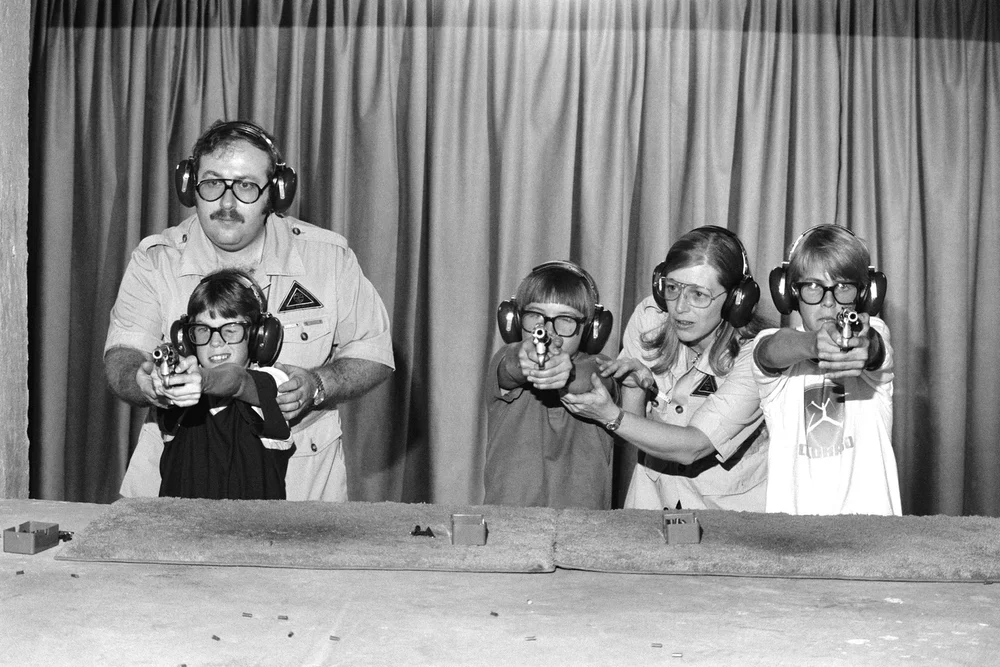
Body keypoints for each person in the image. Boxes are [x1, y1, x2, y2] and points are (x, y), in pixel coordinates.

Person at [104, 119, 394, 501]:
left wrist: (319, 385)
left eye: (245, 186)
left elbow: (373, 352)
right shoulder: (155, 260)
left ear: (275, 192)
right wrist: (145, 382)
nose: (226, 204)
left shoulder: (329, 258)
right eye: (212, 184)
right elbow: (122, 355)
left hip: (300, 486)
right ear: (190, 186)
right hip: (175, 479)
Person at [562, 226, 770, 511]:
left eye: (699, 294)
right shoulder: (650, 320)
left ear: (737, 300)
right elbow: (633, 430)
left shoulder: (756, 356)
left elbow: (692, 447)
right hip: (653, 506)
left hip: (727, 519)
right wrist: (632, 387)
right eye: (672, 288)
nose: (680, 307)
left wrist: (609, 414)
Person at [753, 225, 900, 515]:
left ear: (864, 294)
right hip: (796, 541)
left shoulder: (875, 331)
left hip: (874, 538)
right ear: (790, 293)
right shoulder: (776, 346)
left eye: (843, 286)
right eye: (813, 286)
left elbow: (874, 347)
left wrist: (864, 347)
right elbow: (768, 352)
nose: (829, 301)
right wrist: (813, 345)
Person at [485, 261, 619, 509]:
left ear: (590, 328)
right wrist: (525, 359)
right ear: (516, 320)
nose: (547, 330)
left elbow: (590, 379)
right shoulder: (505, 357)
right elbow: (510, 366)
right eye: (535, 316)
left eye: (566, 319)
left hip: (584, 527)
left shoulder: (602, 365)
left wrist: (567, 373)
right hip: (509, 522)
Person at [155, 269, 293, 500]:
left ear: (259, 336)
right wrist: (155, 378)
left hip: (253, 533)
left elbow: (237, 381)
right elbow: (154, 389)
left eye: (230, 330)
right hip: (180, 531)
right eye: (202, 330)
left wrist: (204, 380)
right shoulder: (177, 390)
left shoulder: (274, 382)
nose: (216, 342)